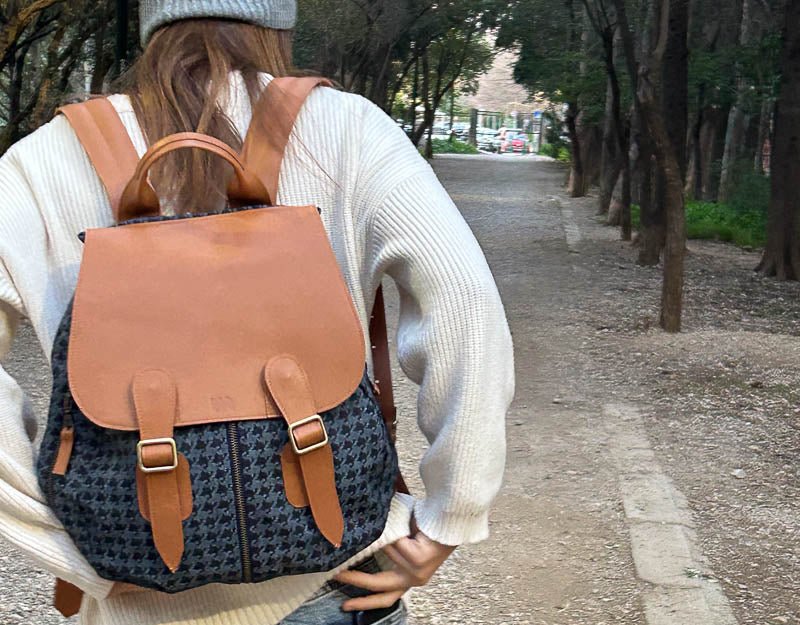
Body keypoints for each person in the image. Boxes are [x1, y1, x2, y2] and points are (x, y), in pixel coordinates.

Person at [0, 2, 515, 624]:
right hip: (330, 586)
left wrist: (65, 543)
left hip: (134, 601)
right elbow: (465, 304)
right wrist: (451, 516)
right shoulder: (346, 130)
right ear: (279, 20)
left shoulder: (41, 159)